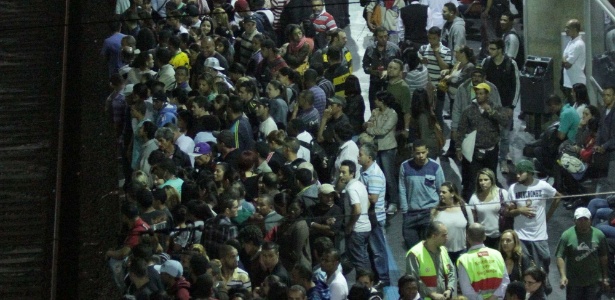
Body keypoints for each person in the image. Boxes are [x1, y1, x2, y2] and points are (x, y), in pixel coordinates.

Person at [506, 160, 562, 285]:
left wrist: (548, 216)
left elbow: (558, 196)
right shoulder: (513, 188)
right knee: (526, 267)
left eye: (521, 173)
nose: (517, 176)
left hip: (539, 235)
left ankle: (543, 286)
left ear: (530, 173)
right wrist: (520, 210)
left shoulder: (542, 185)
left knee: (545, 260)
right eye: (517, 173)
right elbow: (508, 212)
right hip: (521, 235)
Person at [455, 82, 509, 199]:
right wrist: (458, 147)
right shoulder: (468, 110)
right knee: (473, 179)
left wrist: (491, 112)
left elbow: (505, 122)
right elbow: (461, 130)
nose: (478, 96)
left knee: (491, 177)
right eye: (477, 93)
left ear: (487, 95)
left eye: (481, 93)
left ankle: (492, 200)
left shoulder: (495, 107)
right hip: (474, 150)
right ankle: (472, 203)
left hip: (491, 150)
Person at [481, 38, 519, 173]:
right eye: (489, 48)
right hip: (489, 106)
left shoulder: (510, 64)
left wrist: (512, 107)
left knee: (504, 136)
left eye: (492, 49)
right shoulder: (486, 62)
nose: (489, 51)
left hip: (505, 106)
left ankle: (503, 160)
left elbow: (516, 86)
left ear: (500, 50)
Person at [399, 139, 445, 249]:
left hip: (429, 213)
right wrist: (405, 211)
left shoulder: (435, 167)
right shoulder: (405, 166)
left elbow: (442, 189)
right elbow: (402, 189)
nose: (421, 156)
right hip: (411, 214)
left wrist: (438, 209)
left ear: (427, 151)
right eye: (418, 153)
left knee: (429, 247)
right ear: (413, 153)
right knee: (413, 249)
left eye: (423, 152)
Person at [555, 207, 609, 300]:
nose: (583, 222)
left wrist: (605, 277)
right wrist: (563, 276)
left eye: (585, 219)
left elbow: (603, 256)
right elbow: (560, 256)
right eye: (580, 219)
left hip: (593, 281)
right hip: (574, 282)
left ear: (590, 220)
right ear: (574, 221)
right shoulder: (567, 235)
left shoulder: (599, 235)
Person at [358, 143, 390, 288]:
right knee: (371, 250)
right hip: (368, 217)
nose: (358, 157)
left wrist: (358, 190)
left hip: (375, 217)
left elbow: (373, 198)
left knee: (378, 250)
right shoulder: (363, 170)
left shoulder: (375, 174)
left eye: (360, 155)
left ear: (369, 158)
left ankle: (383, 278)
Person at [365, 91, 399, 215]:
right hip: (376, 147)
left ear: (382, 101)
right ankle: (383, 199)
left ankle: (394, 201)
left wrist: (370, 129)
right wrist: (370, 126)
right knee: (379, 175)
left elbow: (383, 130)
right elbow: (368, 122)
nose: (375, 102)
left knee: (389, 176)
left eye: (377, 100)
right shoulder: (375, 112)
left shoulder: (392, 114)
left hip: (388, 148)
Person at [405, 221, 456, 300]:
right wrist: (432, 294)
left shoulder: (443, 250)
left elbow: (451, 271)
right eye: (444, 235)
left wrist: (449, 289)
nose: (447, 238)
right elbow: (413, 280)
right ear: (434, 236)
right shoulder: (414, 254)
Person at [457, 223, 509, 299]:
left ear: (467, 237)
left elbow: (466, 291)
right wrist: (494, 297)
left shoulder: (464, 260)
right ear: (484, 237)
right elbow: (505, 281)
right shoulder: (497, 254)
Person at [533, 95, 580, 177]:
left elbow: (561, 135)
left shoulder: (565, 114)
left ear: (553, 106)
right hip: (572, 139)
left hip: (570, 142)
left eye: (550, 108)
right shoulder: (569, 108)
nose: (550, 111)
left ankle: (550, 171)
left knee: (539, 149)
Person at [338, 160, 371, 273]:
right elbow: (367, 203)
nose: (340, 175)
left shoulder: (351, 188)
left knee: (358, 262)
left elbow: (357, 209)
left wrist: (349, 225)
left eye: (344, 172)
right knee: (364, 258)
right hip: (366, 227)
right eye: (340, 172)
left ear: (352, 174)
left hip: (357, 230)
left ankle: (363, 286)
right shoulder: (360, 185)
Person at [431, 182, 474, 263]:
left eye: (444, 192)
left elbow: (472, 228)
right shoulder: (436, 211)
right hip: (443, 252)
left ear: (452, 193)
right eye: (440, 192)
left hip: (463, 251)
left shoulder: (464, 208)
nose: (441, 194)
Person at [469, 168, 510, 248]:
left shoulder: (502, 193)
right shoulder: (474, 197)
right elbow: (472, 218)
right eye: (480, 180)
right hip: (483, 237)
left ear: (492, 180)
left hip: (501, 235)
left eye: (485, 180)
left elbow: (509, 212)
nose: (482, 183)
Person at [419, 26, 452, 127]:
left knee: (437, 112)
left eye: (434, 38)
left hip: (440, 86)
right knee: (425, 111)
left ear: (439, 37)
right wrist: (421, 62)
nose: (431, 41)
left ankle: (440, 134)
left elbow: (445, 68)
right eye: (429, 38)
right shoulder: (423, 48)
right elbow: (417, 66)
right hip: (425, 86)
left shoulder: (446, 51)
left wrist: (437, 54)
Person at [362, 27, 401, 110]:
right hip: (375, 83)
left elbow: (401, 67)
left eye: (385, 36)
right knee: (374, 107)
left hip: (390, 83)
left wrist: (389, 72)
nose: (384, 39)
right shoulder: (370, 49)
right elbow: (365, 66)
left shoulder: (394, 49)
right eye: (381, 37)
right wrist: (375, 72)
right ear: (376, 37)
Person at [596, 86, 615, 193]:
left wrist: (605, 146)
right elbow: (600, 128)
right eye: (604, 95)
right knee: (602, 180)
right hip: (603, 152)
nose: (605, 98)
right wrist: (598, 144)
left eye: (608, 95)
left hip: (612, 152)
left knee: (612, 182)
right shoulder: (603, 111)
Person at [561, 19, 586, 101]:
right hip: (569, 82)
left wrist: (564, 59)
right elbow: (564, 59)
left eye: (567, 28)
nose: (565, 30)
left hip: (576, 82)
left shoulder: (578, 44)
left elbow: (567, 64)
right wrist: (564, 59)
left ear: (575, 30)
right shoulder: (571, 42)